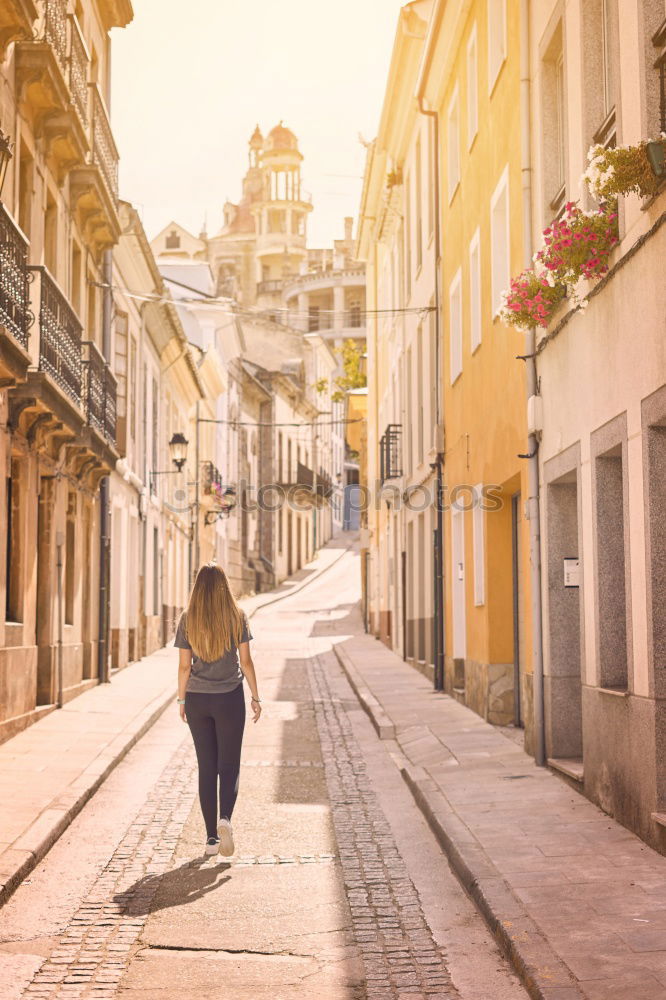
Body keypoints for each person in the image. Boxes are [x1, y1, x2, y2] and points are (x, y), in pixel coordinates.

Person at [174, 563, 261, 858]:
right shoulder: (237, 616)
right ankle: (226, 818)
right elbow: (246, 662)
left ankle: (211, 838)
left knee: (207, 767)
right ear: (225, 586)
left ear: (198, 587)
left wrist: (182, 701)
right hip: (229, 698)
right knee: (229, 765)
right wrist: (256, 696)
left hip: (198, 699)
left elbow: (185, 666)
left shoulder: (188, 618)